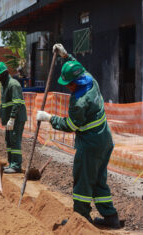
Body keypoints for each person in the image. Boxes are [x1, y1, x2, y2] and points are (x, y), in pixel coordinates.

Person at [36, 44, 121, 228]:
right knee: (98, 179)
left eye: (69, 84)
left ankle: (81, 219)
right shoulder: (90, 80)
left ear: (75, 83)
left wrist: (50, 118)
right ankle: (110, 217)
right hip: (105, 140)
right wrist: (66, 56)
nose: (68, 88)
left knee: (83, 180)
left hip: (90, 144)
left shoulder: (79, 102)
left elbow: (71, 125)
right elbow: (78, 68)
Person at [0, 62, 27, 174]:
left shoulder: (13, 84)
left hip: (16, 118)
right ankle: (11, 163)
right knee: (8, 140)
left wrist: (12, 118)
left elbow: (17, 103)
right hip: (8, 119)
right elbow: (3, 104)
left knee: (14, 140)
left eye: (1, 74)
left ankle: (16, 165)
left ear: (6, 73)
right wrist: (0, 117)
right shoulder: (4, 86)